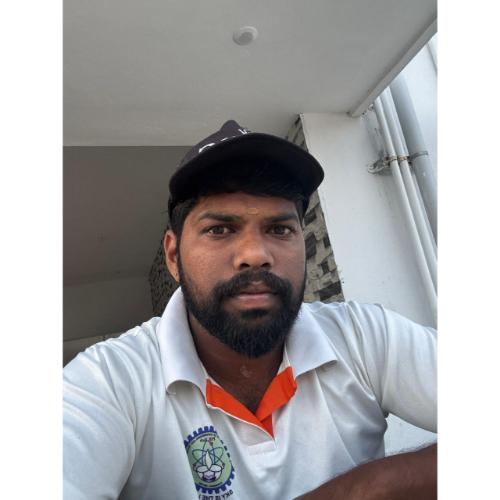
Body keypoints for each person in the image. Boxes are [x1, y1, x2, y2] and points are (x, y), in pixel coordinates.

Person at [63, 120, 437, 500]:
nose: (255, 255)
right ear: (174, 256)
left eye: (280, 230)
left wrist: (374, 486)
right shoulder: (108, 380)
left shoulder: (362, 337)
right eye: (220, 229)